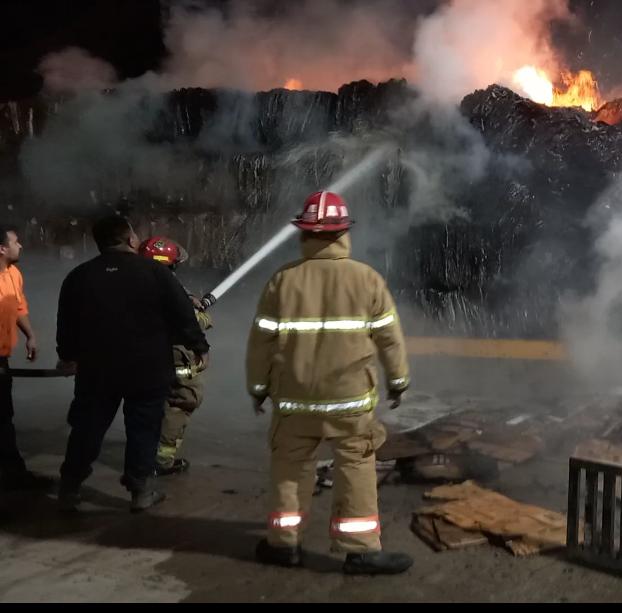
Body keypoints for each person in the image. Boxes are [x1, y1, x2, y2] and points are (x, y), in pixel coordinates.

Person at [247, 191, 412, 575]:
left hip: (294, 399)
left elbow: (260, 343)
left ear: (304, 233)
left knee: (290, 467)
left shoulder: (282, 281)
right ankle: (361, 551)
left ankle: (284, 545)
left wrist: (258, 388)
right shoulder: (367, 279)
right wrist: (399, 381)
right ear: (343, 233)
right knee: (355, 465)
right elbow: (390, 337)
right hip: (350, 400)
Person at [57, 216, 209, 513]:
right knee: (144, 429)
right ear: (130, 240)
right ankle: (141, 490)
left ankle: (70, 486)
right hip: (147, 369)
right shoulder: (155, 273)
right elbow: (183, 316)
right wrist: (199, 346)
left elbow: (67, 323)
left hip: (96, 370)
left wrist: (68, 355)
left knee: (87, 428)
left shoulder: (78, 277)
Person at [137, 236, 213, 476]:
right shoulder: (164, 286)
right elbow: (190, 322)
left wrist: (189, 300)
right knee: (182, 400)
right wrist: (202, 316)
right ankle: (162, 460)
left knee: (150, 404)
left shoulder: (139, 281)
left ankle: (145, 454)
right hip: (175, 355)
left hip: (147, 355)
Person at [0, 224, 50, 491]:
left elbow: (19, 306)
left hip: (2, 360)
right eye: (15, 242)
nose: (20, 246)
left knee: (4, 417)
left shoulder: (13, 274)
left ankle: (13, 474)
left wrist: (29, 334)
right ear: (2, 248)